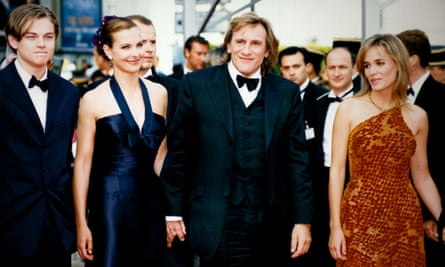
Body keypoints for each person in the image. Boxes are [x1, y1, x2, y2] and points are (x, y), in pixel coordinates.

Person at [162, 11, 313, 267]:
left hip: (272, 222)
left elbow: (297, 161)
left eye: (255, 43)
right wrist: (173, 212)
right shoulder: (196, 85)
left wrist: (303, 221)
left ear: (267, 51)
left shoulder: (286, 92)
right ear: (228, 45)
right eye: (240, 41)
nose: (247, 49)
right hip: (216, 219)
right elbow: (179, 153)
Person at [328, 33, 445, 266]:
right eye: (367, 65)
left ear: (399, 64)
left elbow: (422, 176)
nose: (372, 71)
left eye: (380, 63)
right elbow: (338, 170)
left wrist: (443, 218)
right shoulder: (349, 109)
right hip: (359, 215)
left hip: (404, 217)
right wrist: (335, 226)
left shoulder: (418, 116)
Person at [73, 15, 168, 267]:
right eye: (125, 47)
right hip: (110, 208)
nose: (136, 53)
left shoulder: (160, 94)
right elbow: (82, 164)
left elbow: (162, 158)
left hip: (153, 206)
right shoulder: (92, 99)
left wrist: (174, 210)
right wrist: (82, 223)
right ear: (108, 50)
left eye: (139, 45)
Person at [0, 4, 79, 267]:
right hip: (10, 222)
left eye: (48, 36)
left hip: (57, 222)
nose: (42, 44)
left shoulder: (68, 92)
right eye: (31, 37)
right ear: (13, 40)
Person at [126, 14, 195, 267]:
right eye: (140, 41)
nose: (147, 48)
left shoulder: (175, 89)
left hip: (165, 205)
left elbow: (181, 152)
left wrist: (173, 210)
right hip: (117, 208)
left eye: (152, 42)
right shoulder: (97, 91)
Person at [397, 29, 445, 267]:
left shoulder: (442, 98)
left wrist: (434, 215)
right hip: (398, 212)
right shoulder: (393, 96)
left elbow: (439, 162)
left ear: (412, 59)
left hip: (430, 213)